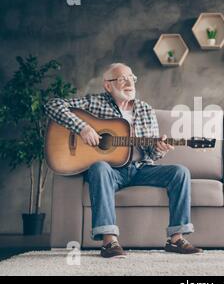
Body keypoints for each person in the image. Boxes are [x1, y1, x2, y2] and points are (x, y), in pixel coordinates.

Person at [44, 63, 203, 258]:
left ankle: (176, 239)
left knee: (180, 172)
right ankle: (109, 242)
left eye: (131, 78)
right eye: (122, 79)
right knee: (99, 167)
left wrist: (159, 148)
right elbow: (52, 105)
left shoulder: (145, 109)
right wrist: (82, 128)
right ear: (108, 85)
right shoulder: (95, 102)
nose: (129, 82)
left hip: (141, 169)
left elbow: (152, 154)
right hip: (111, 171)